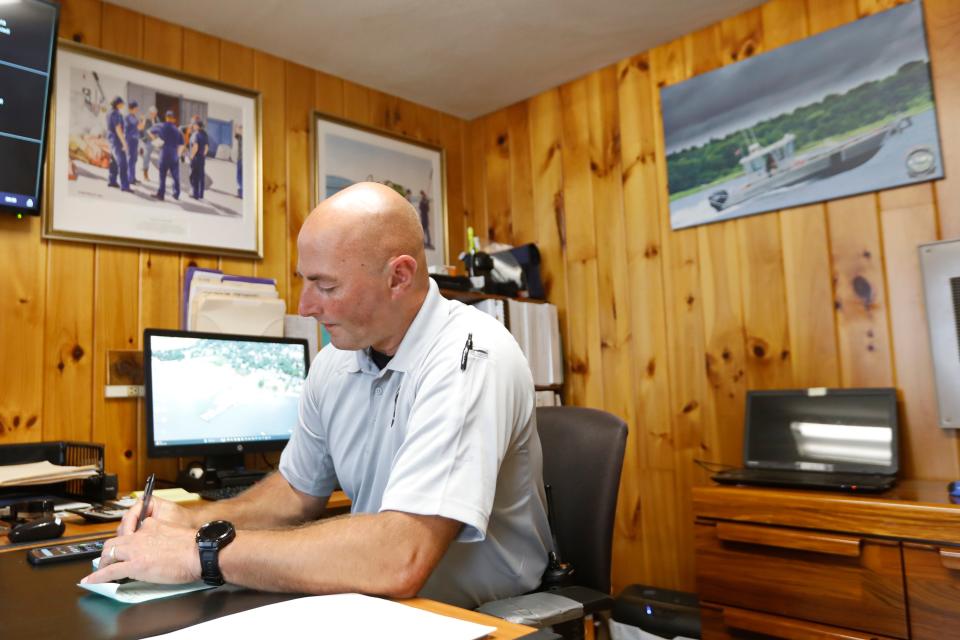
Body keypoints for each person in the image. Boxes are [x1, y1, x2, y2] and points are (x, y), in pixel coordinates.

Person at [83, 182, 552, 609]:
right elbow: (294, 493)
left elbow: (400, 555)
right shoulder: (335, 361)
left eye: (326, 285)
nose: (306, 306)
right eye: (305, 280)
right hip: (373, 596)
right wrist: (194, 521)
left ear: (399, 277)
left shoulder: (470, 355)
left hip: (480, 612)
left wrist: (200, 553)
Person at [149, 110, 184, 201]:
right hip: (174, 155)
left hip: (164, 153)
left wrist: (157, 141)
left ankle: (161, 194)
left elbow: (150, 131)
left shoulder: (161, 125)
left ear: (166, 117)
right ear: (173, 119)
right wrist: (178, 156)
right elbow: (181, 145)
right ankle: (176, 194)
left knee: (162, 175)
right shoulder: (178, 130)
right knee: (175, 176)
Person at [106, 96, 131, 192]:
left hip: (111, 139)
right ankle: (125, 186)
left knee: (114, 161)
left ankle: (112, 181)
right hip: (117, 140)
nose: (123, 105)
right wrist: (124, 143)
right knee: (123, 162)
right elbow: (118, 128)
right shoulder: (116, 114)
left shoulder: (109, 113)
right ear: (118, 104)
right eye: (122, 103)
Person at [124, 100, 143, 186]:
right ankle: (130, 179)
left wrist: (142, 121)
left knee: (134, 159)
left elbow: (139, 128)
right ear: (132, 108)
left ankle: (133, 177)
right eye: (136, 108)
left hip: (135, 141)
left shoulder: (134, 117)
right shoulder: (128, 117)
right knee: (131, 159)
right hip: (130, 140)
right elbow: (139, 127)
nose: (137, 109)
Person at [189, 120, 209, 200]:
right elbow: (207, 147)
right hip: (202, 158)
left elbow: (195, 147)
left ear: (197, 126)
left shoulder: (196, 134)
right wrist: (203, 155)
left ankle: (195, 194)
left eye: (194, 125)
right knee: (201, 176)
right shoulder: (205, 134)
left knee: (194, 176)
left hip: (196, 158)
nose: (193, 126)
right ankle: (201, 194)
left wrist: (191, 156)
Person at [141, 106, 159, 181]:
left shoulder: (157, 119)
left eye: (155, 113)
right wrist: (153, 138)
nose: (154, 115)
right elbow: (147, 131)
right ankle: (145, 173)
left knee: (161, 153)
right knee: (147, 156)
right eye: (153, 113)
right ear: (150, 113)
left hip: (155, 140)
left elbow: (158, 128)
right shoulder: (147, 120)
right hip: (148, 140)